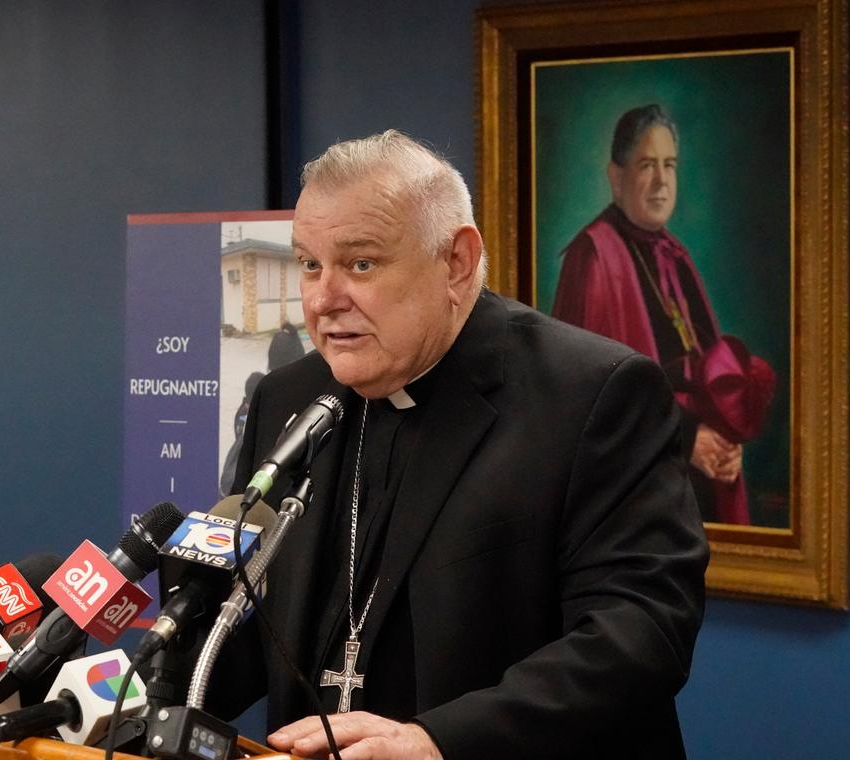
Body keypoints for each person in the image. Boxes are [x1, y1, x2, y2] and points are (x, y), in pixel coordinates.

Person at [201, 130, 708, 759]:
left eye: (360, 263)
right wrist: (95, 695)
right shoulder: (289, 398)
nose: (322, 299)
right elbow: (250, 631)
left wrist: (437, 743)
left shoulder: (594, 395)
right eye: (309, 263)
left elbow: (640, 632)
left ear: (457, 262)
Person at [552, 104, 774, 524]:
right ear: (616, 177)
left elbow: (713, 374)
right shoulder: (594, 256)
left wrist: (727, 438)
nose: (660, 182)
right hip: (634, 499)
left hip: (695, 488)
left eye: (669, 165)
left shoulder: (673, 255)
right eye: (646, 165)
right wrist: (687, 439)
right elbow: (581, 402)